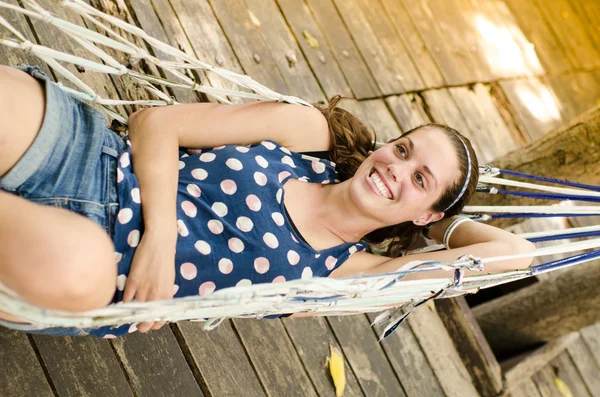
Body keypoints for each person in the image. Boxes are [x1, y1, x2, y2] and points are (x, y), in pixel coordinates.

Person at [0, 65, 535, 338]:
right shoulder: (308, 136)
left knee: (78, 263)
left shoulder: (349, 274)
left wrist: (435, 230)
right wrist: (161, 236)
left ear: (427, 210)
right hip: (92, 159)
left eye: (420, 180)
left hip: (95, 273)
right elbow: (156, 123)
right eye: (402, 149)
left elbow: (516, 256)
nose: (394, 169)